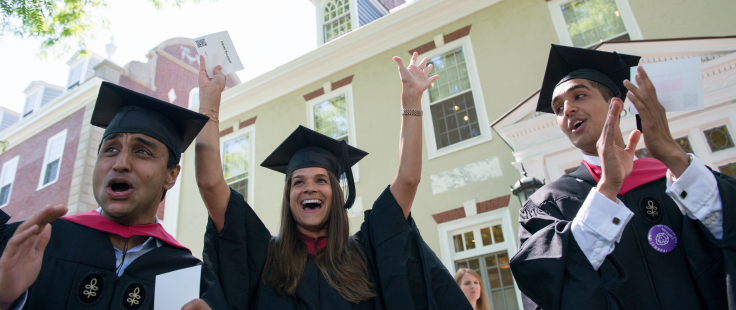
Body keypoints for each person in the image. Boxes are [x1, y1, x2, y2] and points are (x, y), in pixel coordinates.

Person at [194, 52, 474, 310]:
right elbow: (210, 185)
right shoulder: (264, 257)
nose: (310, 188)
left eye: (321, 180)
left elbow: (408, 180)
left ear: (337, 192)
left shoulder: (367, 253)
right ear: (288, 196)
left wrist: (411, 101)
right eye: (299, 182)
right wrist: (209, 105)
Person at [509, 44, 736, 310]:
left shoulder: (678, 179)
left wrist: (675, 157)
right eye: (558, 109)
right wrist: (607, 189)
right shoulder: (548, 205)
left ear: (615, 103)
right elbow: (547, 286)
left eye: (579, 96)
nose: (567, 110)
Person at [0, 82, 226, 310]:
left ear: (171, 175)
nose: (121, 163)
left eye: (141, 152)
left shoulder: (189, 278)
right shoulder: (29, 245)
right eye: (111, 149)